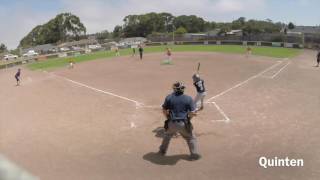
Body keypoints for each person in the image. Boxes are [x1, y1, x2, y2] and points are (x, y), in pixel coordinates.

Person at [159, 82, 201, 160]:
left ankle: (162, 151)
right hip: (183, 124)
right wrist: (189, 119)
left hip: (172, 123)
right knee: (190, 138)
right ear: (183, 89)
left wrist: (168, 118)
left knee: (167, 135)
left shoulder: (169, 97)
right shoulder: (188, 98)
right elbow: (193, 113)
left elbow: (164, 110)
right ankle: (194, 155)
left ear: (174, 89)